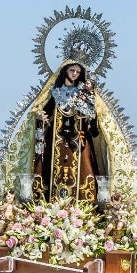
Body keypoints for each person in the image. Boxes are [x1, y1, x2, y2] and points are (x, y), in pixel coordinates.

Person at [33, 60, 105, 204]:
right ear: (65, 70)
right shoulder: (56, 92)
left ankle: (84, 207)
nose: (74, 74)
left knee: (85, 168)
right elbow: (45, 110)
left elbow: (92, 116)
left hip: (78, 139)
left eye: (78, 72)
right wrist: (41, 116)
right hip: (56, 139)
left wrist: (90, 117)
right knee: (49, 170)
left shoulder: (83, 93)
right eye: (72, 70)